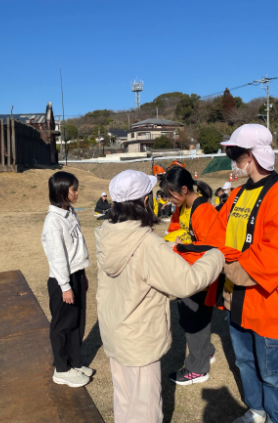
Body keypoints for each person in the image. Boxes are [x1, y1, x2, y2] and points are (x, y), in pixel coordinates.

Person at [192, 124, 278, 423]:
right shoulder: (238, 195)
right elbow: (217, 233)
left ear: (252, 156)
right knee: (245, 362)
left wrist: (222, 263)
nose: (232, 161)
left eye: (235, 155)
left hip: (268, 303)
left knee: (276, 373)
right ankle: (257, 410)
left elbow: (272, 259)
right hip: (236, 301)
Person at [95, 169, 223, 423]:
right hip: (139, 341)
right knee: (145, 410)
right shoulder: (147, 244)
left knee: (124, 399)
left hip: (115, 333)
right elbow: (187, 282)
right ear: (145, 201)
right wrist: (216, 255)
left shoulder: (107, 234)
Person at [158, 166, 219, 386]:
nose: (169, 200)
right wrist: (172, 243)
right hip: (187, 271)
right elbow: (174, 230)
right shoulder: (183, 207)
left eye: (171, 195)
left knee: (194, 320)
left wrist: (179, 247)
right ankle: (205, 351)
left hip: (200, 276)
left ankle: (197, 369)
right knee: (188, 316)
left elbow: (210, 248)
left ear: (184, 190)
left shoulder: (204, 211)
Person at [41, 171, 92, 388]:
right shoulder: (53, 221)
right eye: (74, 189)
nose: (77, 193)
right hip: (62, 280)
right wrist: (65, 286)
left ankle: (74, 362)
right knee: (62, 325)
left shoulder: (69, 213)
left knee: (76, 322)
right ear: (62, 191)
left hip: (76, 274)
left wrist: (82, 275)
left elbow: (76, 248)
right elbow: (57, 257)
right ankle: (61, 369)